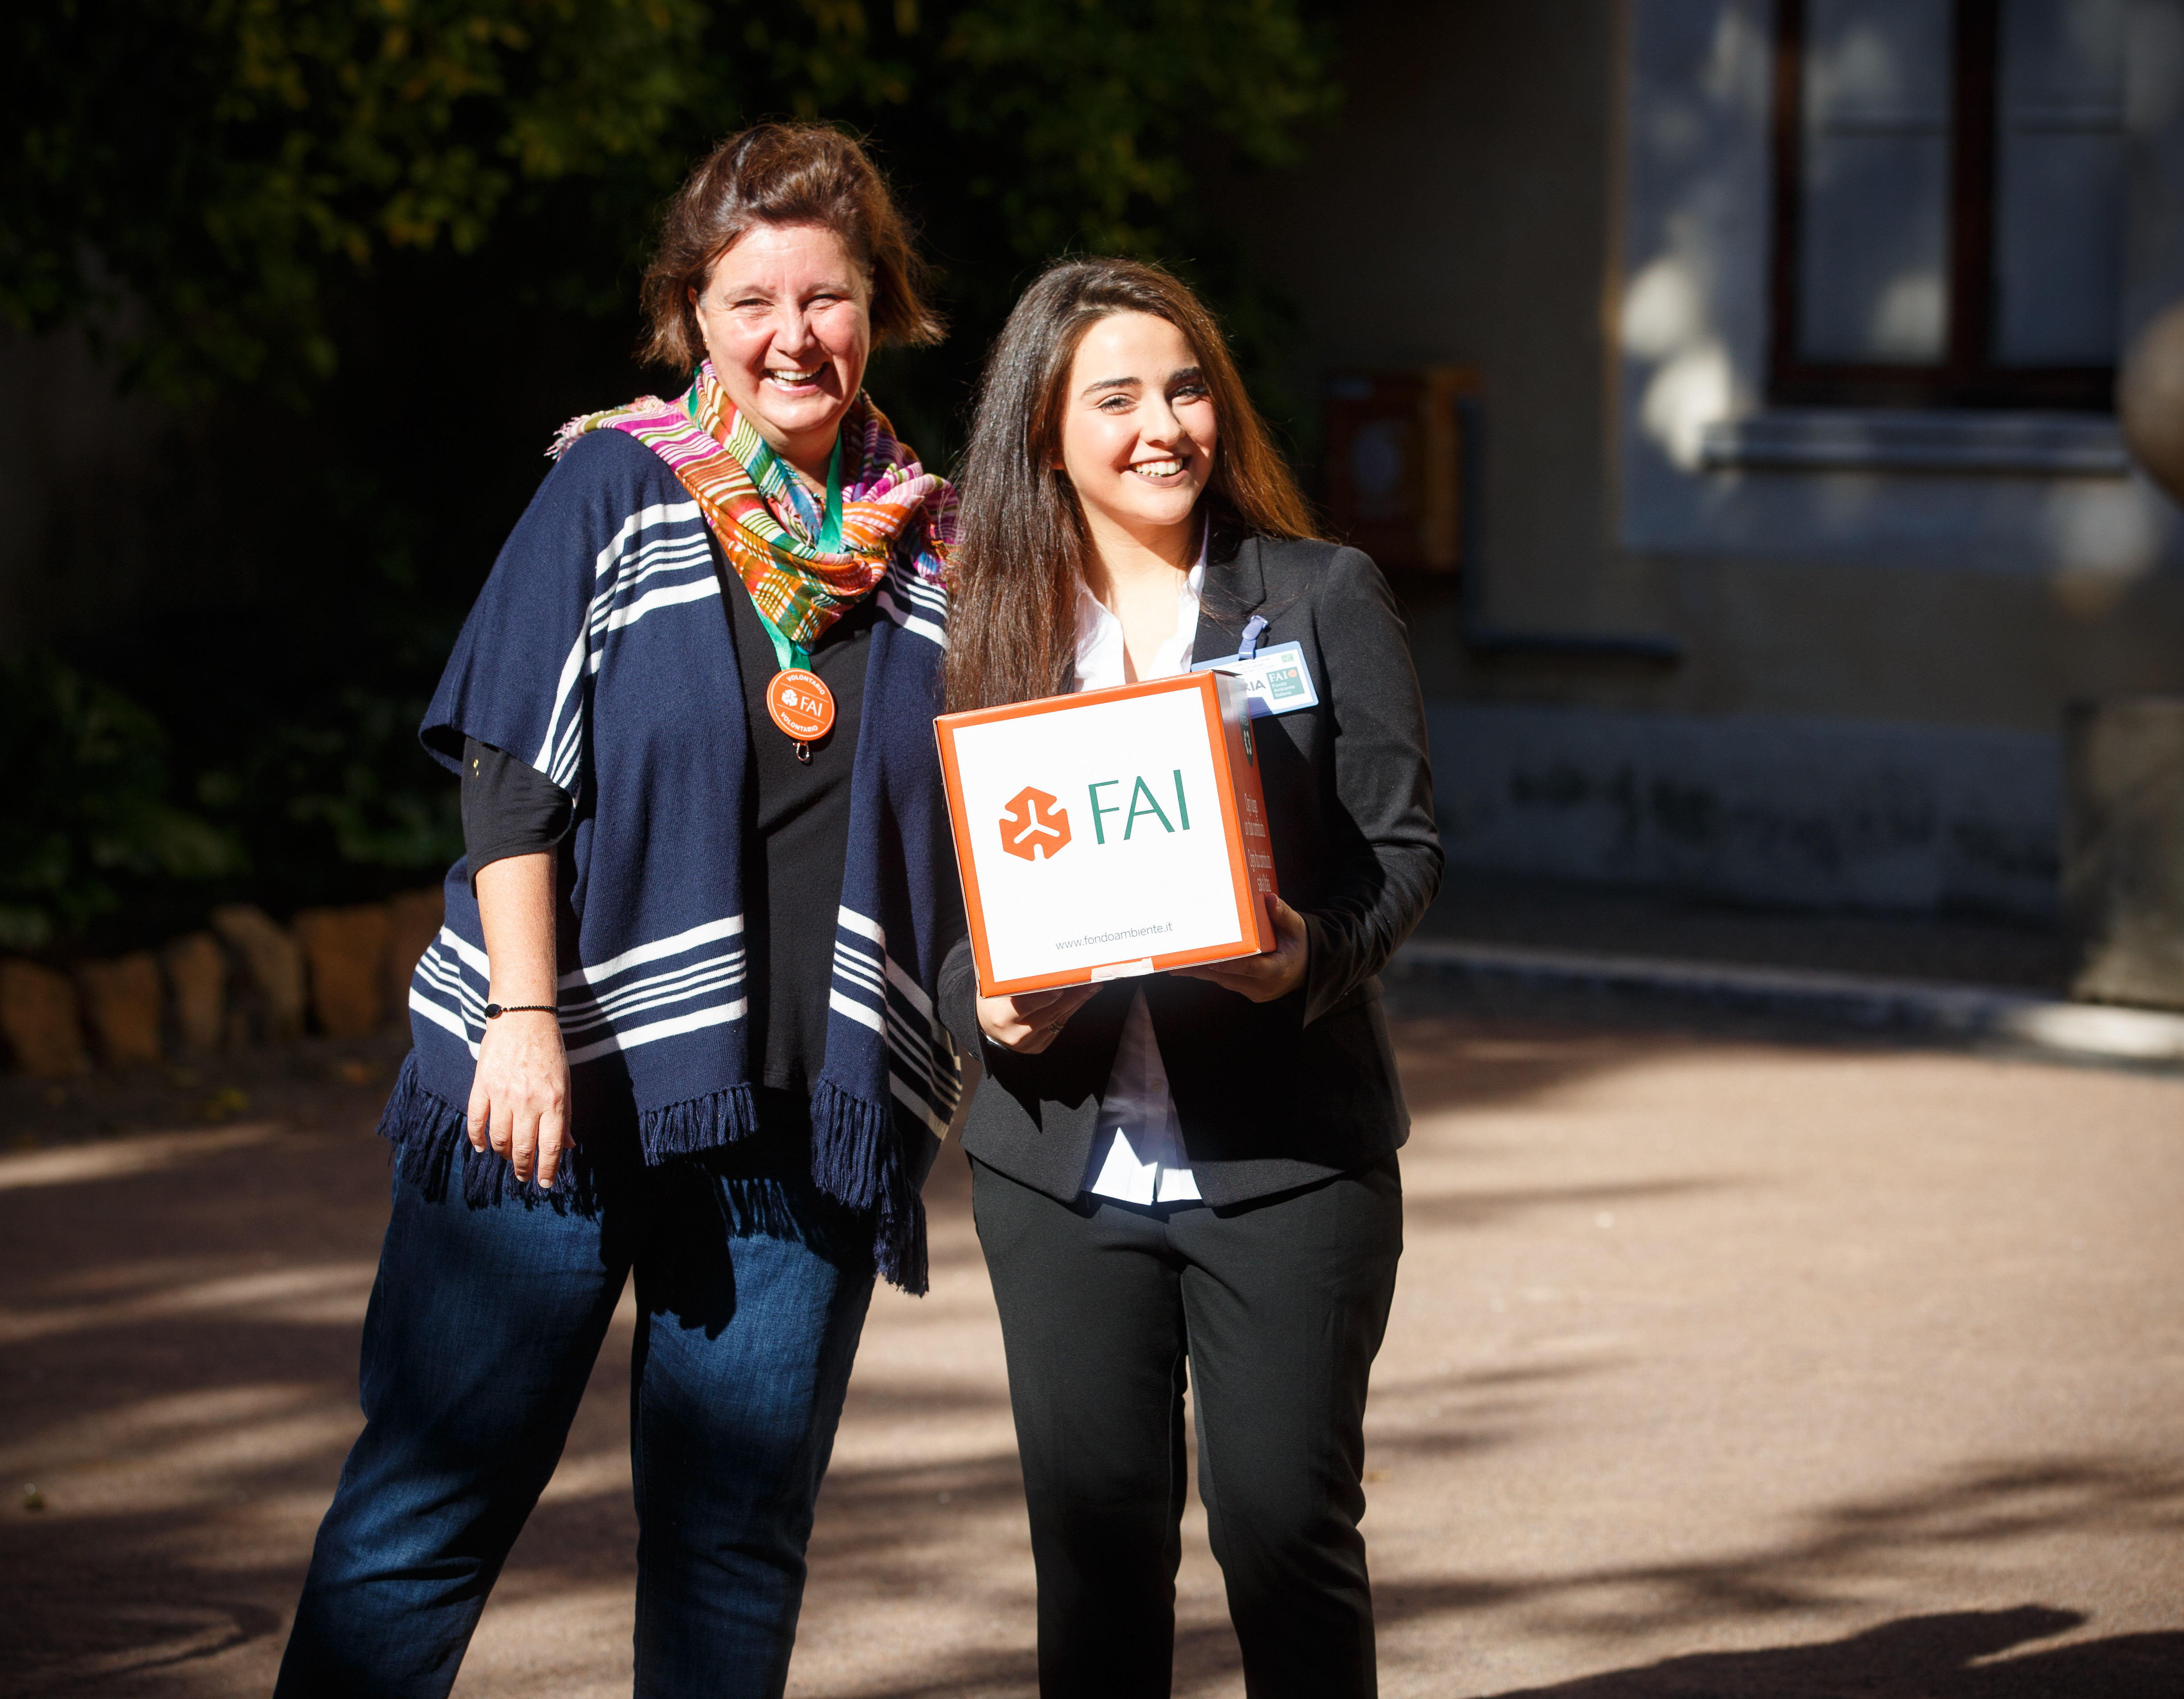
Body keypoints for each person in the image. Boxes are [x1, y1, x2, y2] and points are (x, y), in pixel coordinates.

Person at [277, 123, 969, 1699]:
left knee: (736, 1543)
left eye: (831, 295)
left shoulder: (936, 545)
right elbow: (510, 774)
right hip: (563, 1083)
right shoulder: (616, 480)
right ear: (693, 315)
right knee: (433, 1502)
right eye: (753, 300)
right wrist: (521, 1024)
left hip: (801, 1107)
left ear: (884, 307)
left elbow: (973, 818)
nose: (795, 335)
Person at [937, 257, 1443, 1699]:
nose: (1165, 424)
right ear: (1046, 434)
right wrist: (980, 1001)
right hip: (1059, 1172)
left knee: (1285, 1532)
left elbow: (1401, 856)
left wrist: (1305, 960)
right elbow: (937, 903)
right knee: (1094, 1557)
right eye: (1117, 397)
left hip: (1291, 1164)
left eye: (1186, 387)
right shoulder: (984, 624)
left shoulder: (1321, 594)